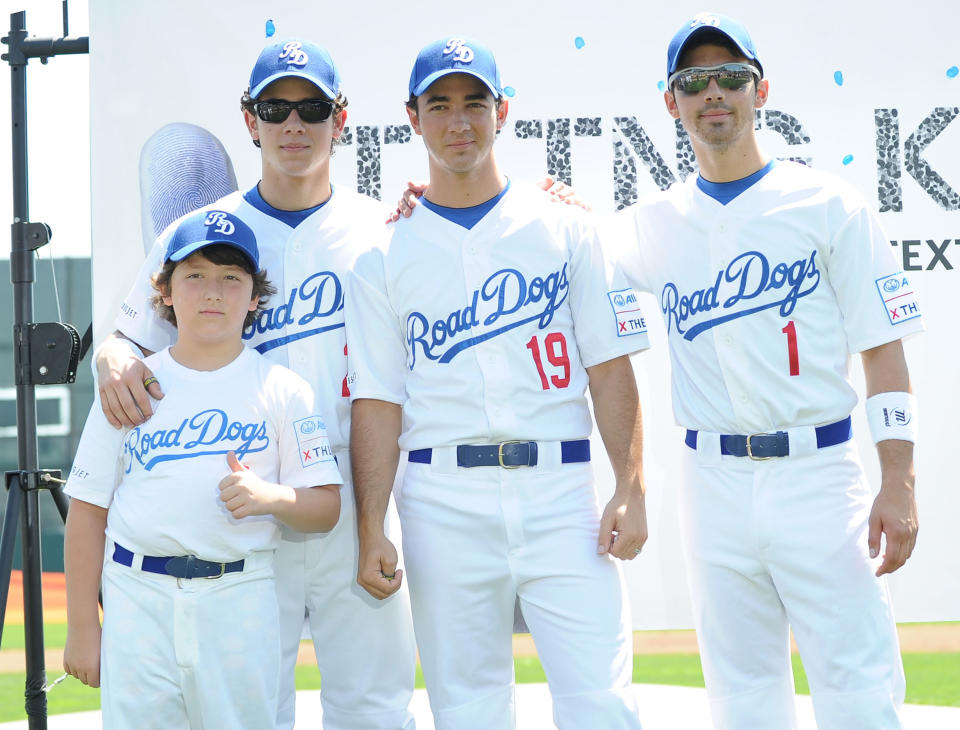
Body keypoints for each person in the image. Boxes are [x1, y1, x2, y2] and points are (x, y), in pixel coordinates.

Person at [609, 12, 923, 729]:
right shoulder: (646, 225)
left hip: (819, 470)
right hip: (712, 479)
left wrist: (899, 481)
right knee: (742, 697)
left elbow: (883, 349)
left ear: (761, 91)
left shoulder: (828, 204)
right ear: (671, 102)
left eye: (731, 77)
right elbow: (548, 246)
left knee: (859, 691)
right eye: (693, 80)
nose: (713, 92)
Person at [94, 40, 417, 730]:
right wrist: (112, 358)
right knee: (249, 712)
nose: (293, 125)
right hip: (238, 506)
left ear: (342, 118)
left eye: (312, 108)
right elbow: (129, 337)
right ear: (250, 120)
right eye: (276, 108)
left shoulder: (380, 228)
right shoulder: (203, 233)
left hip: (349, 494)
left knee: (374, 706)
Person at [345, 37, 649, 730]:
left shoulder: (567, 226)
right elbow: (379, 403)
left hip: (562, 495)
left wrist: (631, 487)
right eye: (440, 105)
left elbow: (609, 368)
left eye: (474, 103)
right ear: (412, 118)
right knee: (468, 711)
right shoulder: (381, 254)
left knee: (603, 704)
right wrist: (371, 526)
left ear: (502, 111)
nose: (459, 122)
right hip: (442, 499)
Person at [62, 210, 343, 729]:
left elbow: (325, 507)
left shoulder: (282, 390)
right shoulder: (130, 385)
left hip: (238, 597)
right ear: (164, 291)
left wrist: (270, 498)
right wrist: (83, 625)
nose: (213, 291)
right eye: (194, 275)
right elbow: (86, 508)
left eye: (231, 278)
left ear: (256, 296)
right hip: (137, 596)